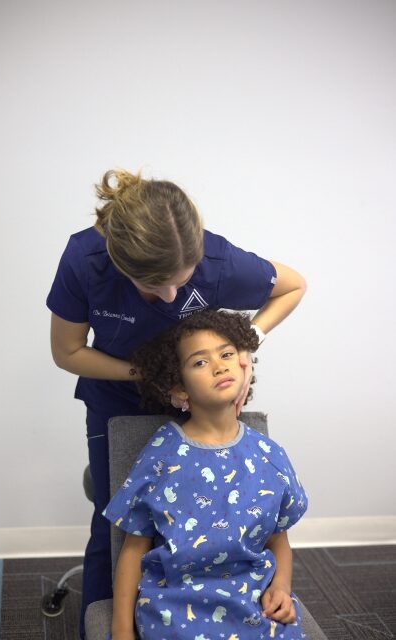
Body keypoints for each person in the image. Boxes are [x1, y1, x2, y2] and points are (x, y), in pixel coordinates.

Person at [46, 169, 306, 638]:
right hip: (118, 398)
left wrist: (248, 342)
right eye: (153, 287)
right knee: (117, 530)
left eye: (180, 284)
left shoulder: (219, 260)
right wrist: (151, 375)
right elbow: (67, 352)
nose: (169, 298)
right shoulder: (85, 260)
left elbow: (293, 286)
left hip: (194, 396)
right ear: (117, 262)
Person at [104, 309, 308, 640]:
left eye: (227, 354)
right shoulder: (162, 455)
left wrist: (282, 587)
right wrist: (121, 631)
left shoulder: (270, 455)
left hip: (254, 601)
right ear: (180, 388)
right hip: (174, 607)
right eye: (200, 362)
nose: (219, 365)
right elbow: (133, 548)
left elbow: (278, 539)